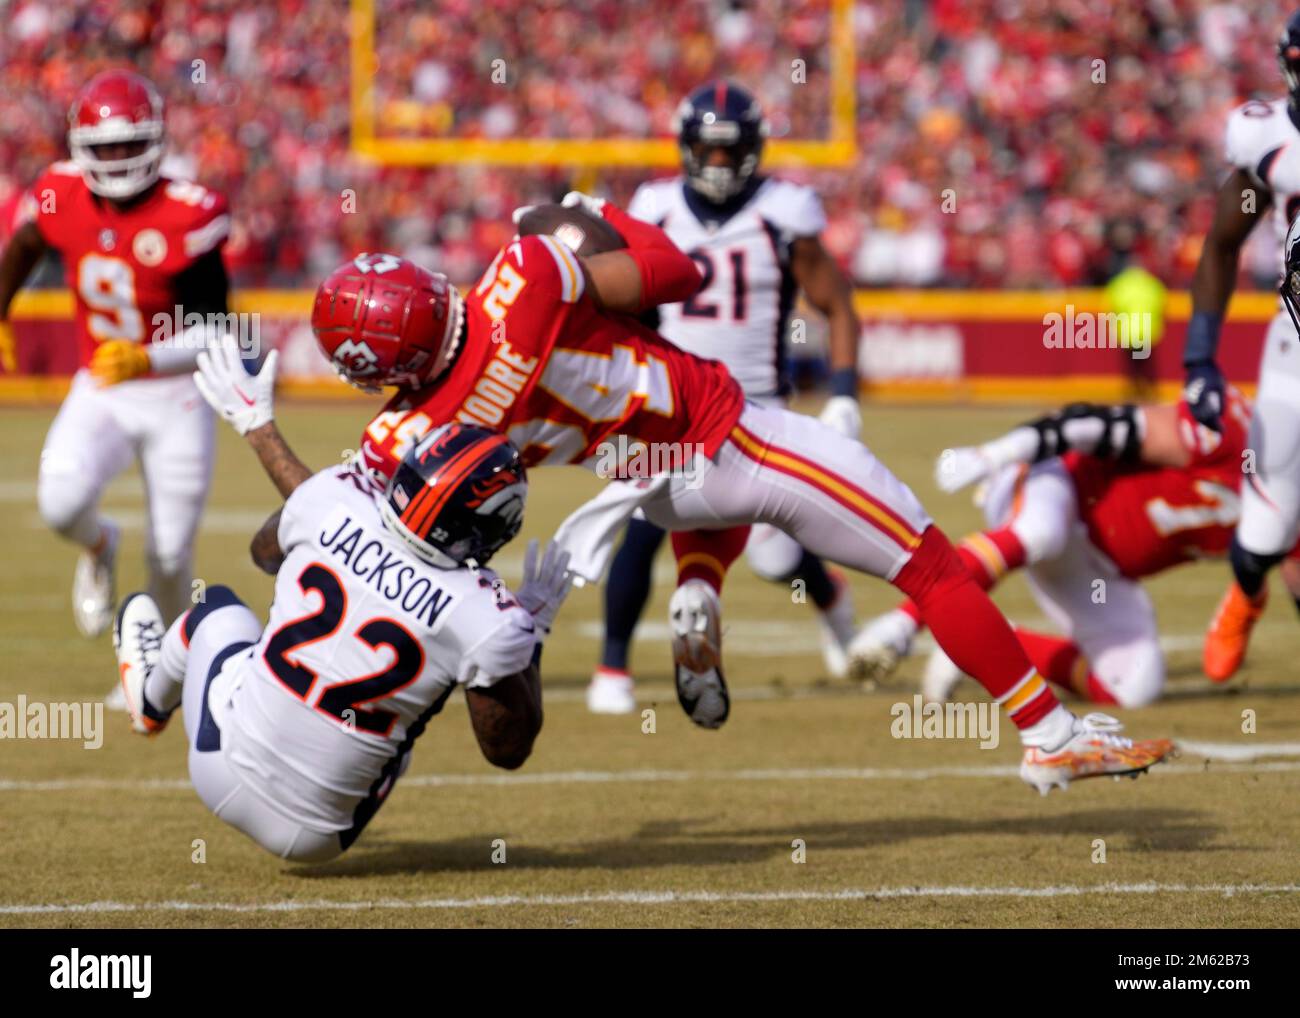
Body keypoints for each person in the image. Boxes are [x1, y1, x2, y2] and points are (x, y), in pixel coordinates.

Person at [279, 195, 1172, 794]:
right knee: (932, 569)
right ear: (425, 289)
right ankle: (1053, 735)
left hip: (640, 485)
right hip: (722, 433)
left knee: (729, 514)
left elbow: (326, 528)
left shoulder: (401, 434)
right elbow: (680, 274)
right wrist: (592, 218)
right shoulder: (528, 276)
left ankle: (698, 584)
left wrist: (258, 429)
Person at [113, 402, 573, 863]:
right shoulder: (487, 615)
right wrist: (531, 633)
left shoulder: (333, 497)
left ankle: (151, 702)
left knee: (216, 608)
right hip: (320, 837)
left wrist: (347, 550)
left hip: (217, 769)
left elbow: (265, 553)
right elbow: (507, 750)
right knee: (398, 740)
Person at [586, 81, 862, 715]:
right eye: (705, 152)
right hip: (672, 393)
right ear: (686, 149)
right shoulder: (654, 208)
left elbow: (836, 303)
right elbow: (629, 302)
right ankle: (613, 667)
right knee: (639, 518)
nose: (716, 164)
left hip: (758, 401)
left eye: (726, 151)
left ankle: (828, 599)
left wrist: (843, 394)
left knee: (776, 555)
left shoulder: (785, 211)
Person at [851, 391, 1297, 705]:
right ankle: (903, 624)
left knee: (1134, 685)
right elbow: (1088, 423)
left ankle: (974, 645)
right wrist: (997, 454)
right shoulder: (1228, 430)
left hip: (1096, 569)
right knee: (1042, 531)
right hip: (1053, 478)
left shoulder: (1293, 513)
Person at [0, 69, 231, 645]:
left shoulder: (190, 211)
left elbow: (219, 330)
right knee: (60, 500)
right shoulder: (59, 192)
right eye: (106, 146)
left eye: (131, 143)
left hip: (176, 395)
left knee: (172, 554)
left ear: (156, 140)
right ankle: (100, 545)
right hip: (101, 385)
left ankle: (164, 673)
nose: (119, 156)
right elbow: (27, 243)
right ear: (82, 148)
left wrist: (148, 360)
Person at [1179, 11, 1300, 680]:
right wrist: (1200, 357)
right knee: (1264, 535)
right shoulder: (1268, 137)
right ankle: (1248, 593)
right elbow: (1223, 244)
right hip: (1296, 346)